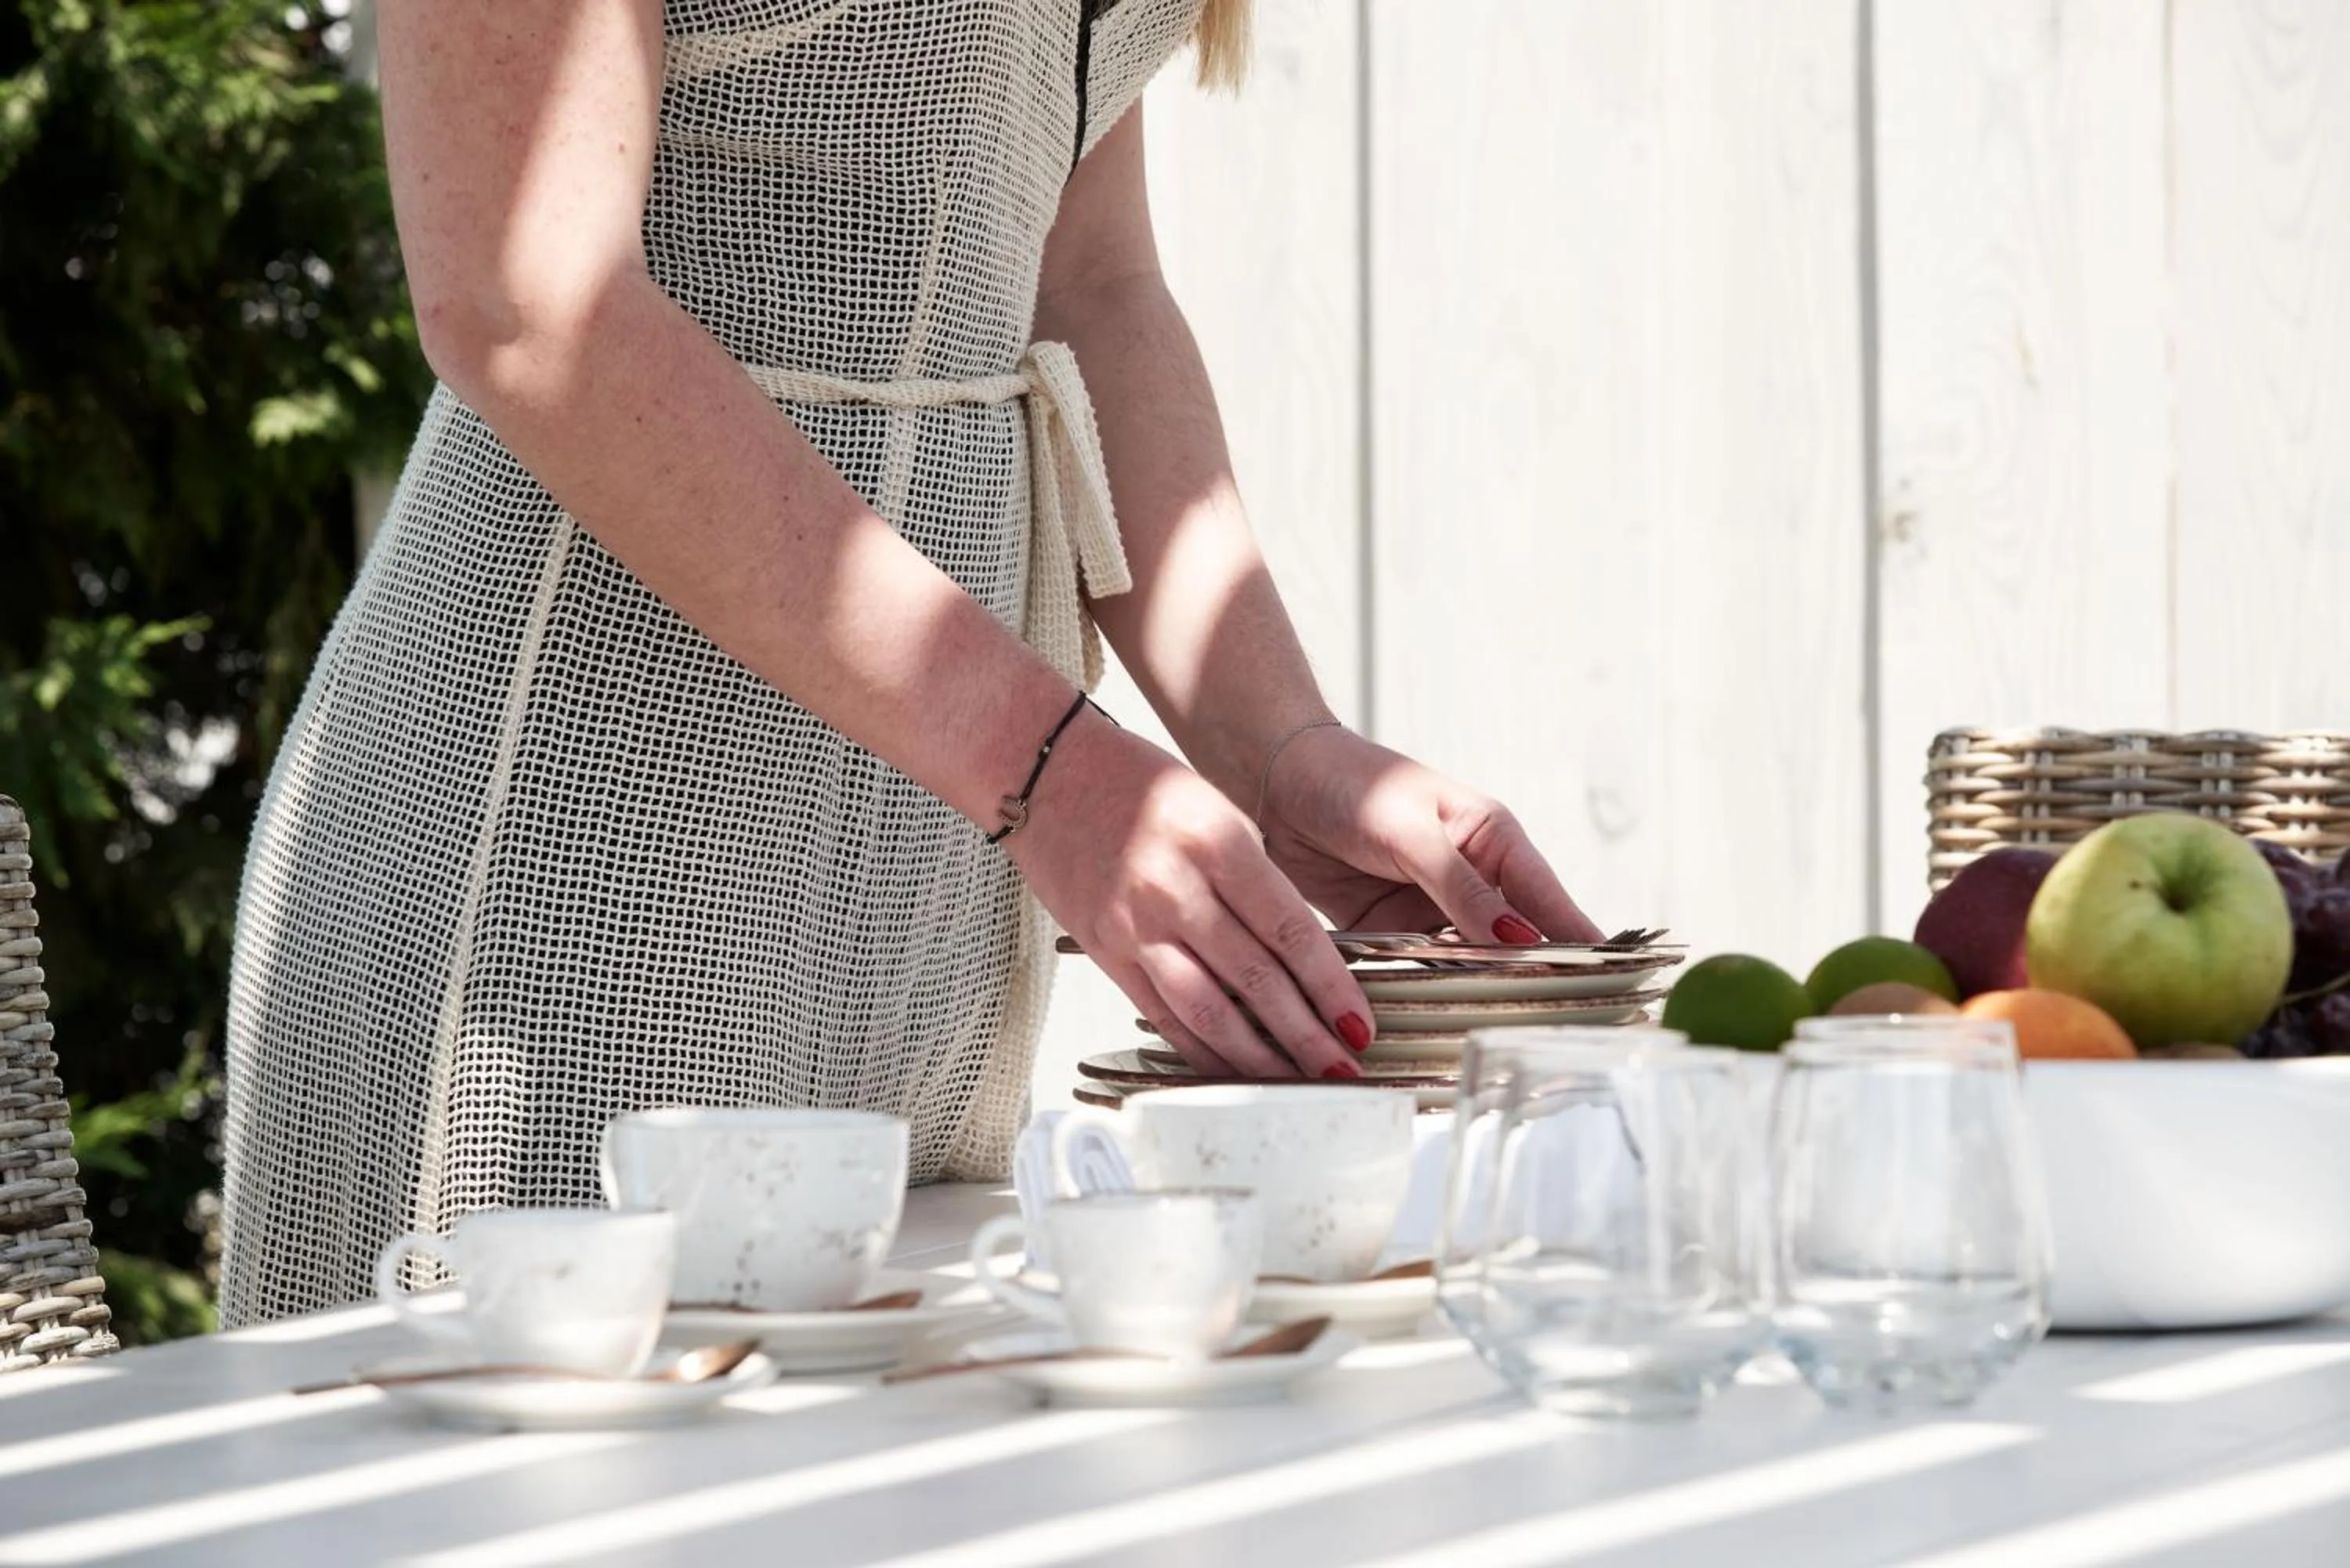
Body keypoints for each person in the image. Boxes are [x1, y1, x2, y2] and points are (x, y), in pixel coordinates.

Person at [218, 0, 1598, 1325]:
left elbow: (1087, 281)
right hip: (566, 869)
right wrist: (1046, 768)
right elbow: (523, 297)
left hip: (924, 906)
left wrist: (1282, 746)